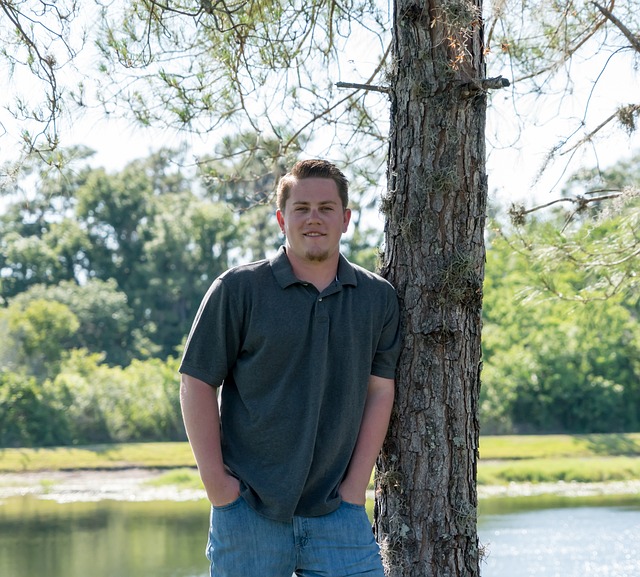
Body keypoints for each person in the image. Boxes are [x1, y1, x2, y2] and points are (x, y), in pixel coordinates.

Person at [179, 159, 402, 577]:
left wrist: (355, 489)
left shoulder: (377, 299)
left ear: (346, 218)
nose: (313, 218)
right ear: (282, 218)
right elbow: (196, 382)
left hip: (338, 514)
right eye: (301, 208)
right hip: (249, 513)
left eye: (325, 208)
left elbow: (380, 392)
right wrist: (218, 487)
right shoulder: (238, 289)